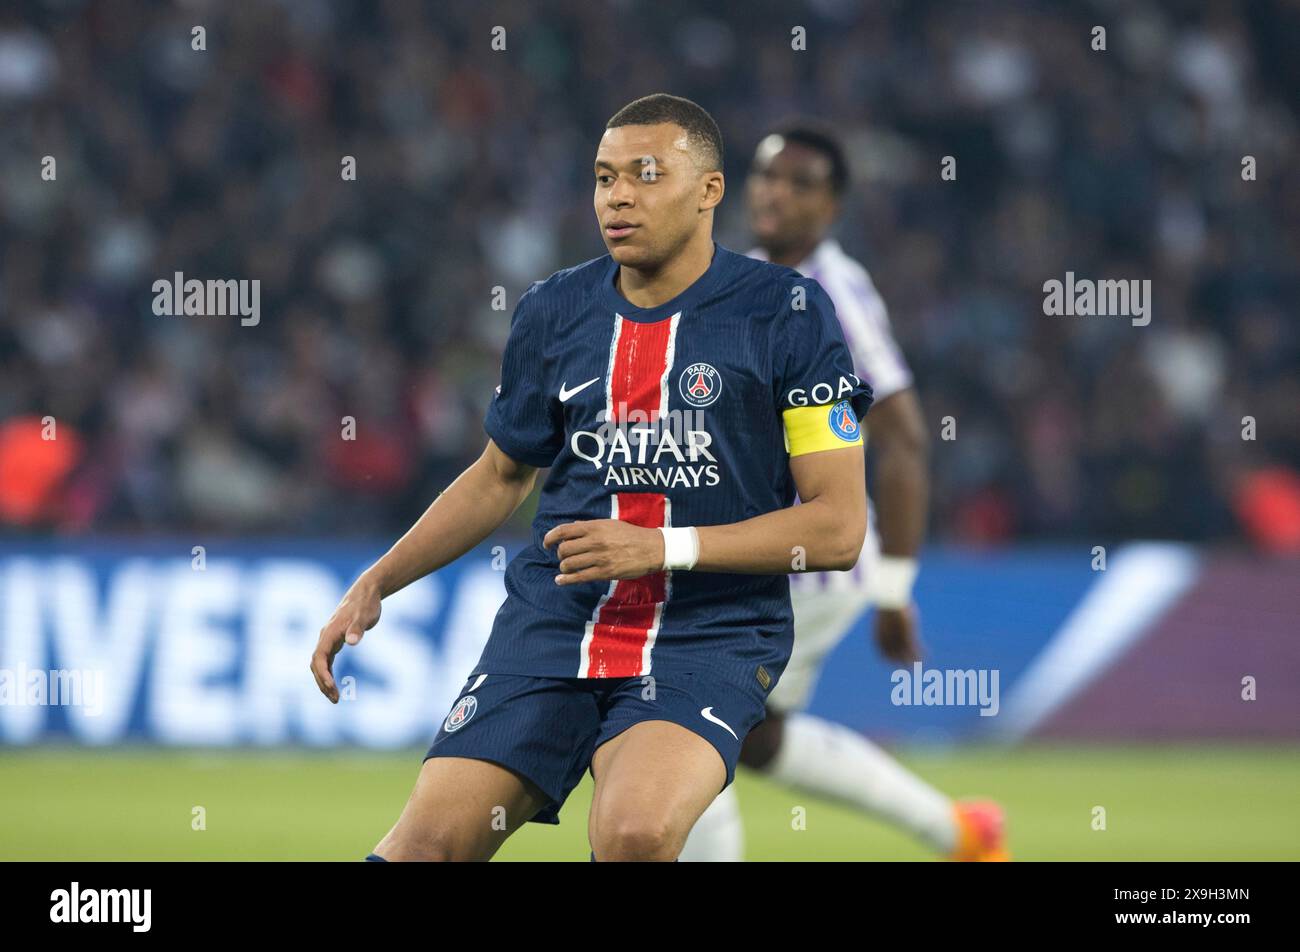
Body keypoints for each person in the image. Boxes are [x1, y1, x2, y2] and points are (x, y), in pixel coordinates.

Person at [310, 94, 873, 861]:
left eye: (646, 174)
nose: (618, 196)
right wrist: (377, 581)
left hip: (708, 632)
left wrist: (661, 547)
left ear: (710, 190)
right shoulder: (553, 309)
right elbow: (501, 476)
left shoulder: (788, 312)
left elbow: (837, 529)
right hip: (555, 624)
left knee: (634, 835)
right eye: (604, 177)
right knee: (425, 847)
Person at [680, 124, 1008, 862]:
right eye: (766, 175)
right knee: (754, 736)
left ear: (832, 206)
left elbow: (905, 438)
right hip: (762, 554)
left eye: (800, 183)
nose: (774, 192)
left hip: (806, 559)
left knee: (695, 721)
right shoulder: (750, 278)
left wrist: (894, 588)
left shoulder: (835, 293)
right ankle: (959, 832)